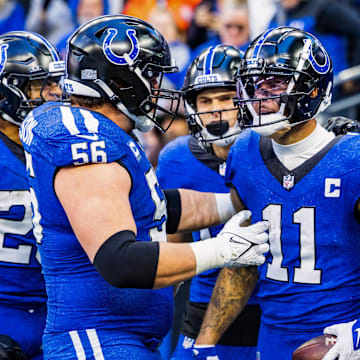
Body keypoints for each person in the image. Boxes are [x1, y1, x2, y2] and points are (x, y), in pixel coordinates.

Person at [19, 15, 270, 360]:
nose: (157, 86)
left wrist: (235, 203)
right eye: (151, 75)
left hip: (118, 337)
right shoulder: (87, 142)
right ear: (122, 79)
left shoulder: (98, 130)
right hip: (99, 339)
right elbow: (120, 260)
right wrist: (223, 250)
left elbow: (154, 207)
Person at [194, 26, 360, 360]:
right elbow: (244, 259)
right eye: (254, 86)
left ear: (312, 90)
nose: (261, 98)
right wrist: (205, 342)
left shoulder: (352, 159)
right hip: (270, 340)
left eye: (275, 85)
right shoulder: (244, 152)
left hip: (338, 341)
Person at [156, 45, 261, 360]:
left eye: (226, 99)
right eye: (205, 101)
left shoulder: (269, 149)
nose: (216, 111)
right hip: (200, 307)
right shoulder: (176, 158)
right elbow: (172, 246)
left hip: (271, 308)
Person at [0, 31, 65, 359]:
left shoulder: (62, 145)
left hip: (58, 312)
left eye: (55, 83)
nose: (54, 94)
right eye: (41, 84)